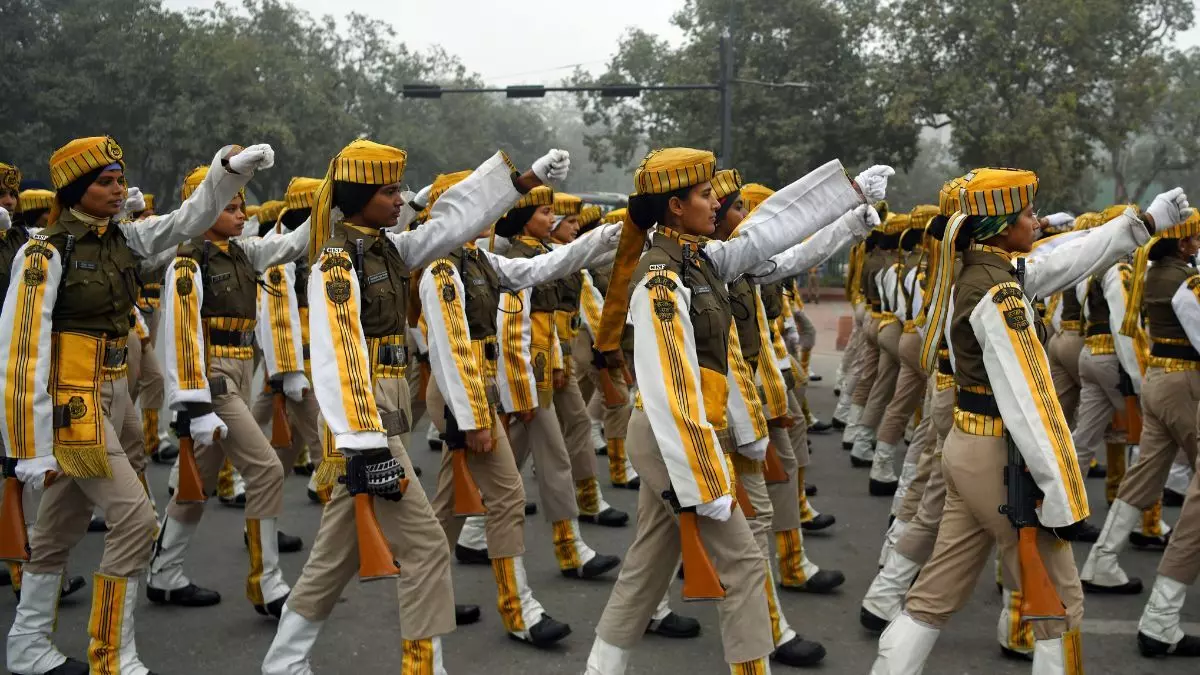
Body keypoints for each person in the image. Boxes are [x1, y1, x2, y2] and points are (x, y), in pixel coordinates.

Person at [262, 140, 570, 674]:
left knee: (334, 559)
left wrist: (519, 184)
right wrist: (364, 445)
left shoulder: (386, 248)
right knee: (427, 549)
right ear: (358, 197)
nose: (400, 199)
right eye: (387, 191)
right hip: (365, 425)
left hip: (384, 416)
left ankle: (283, 662)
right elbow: (342, 356)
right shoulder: (337, 260)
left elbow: (452, 220)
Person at [584, 147, 889, 674]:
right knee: (745, 565)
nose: (717, 205)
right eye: (705, 196)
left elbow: (772, 232)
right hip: (674, 437)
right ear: (676, 207)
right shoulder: (660, 281)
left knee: (647, 569)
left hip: (687, 433)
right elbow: (673, 391)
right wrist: (706, 483)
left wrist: (849, 198)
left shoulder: (700, 259)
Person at [871, 168, 1187, 674]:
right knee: (1059, 606)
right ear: (999, 228)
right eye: (1026, 214)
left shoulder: (978, 271)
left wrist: (1143, 223)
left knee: (936, 593)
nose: (1036, 221)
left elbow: (1064, 259)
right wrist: (1061, 495)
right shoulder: (998, 291)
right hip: (1000, 454)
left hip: (970, 448)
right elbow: (1030, 398)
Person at [4, 136, 274, 675]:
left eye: (118, 179)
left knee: (60, 526)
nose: (118, 188)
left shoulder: (121, 241)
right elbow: (21, 353)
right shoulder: (44, 253)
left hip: (114, 391)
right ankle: (112, 655)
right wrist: (27, 447)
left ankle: (27, 645)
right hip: (71, 403)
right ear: (76, 189)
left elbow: (187, 218)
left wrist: (227, 171)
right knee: (134, 520)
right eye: (105, 181)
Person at [493, 187, 623, 580]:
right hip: (531, 369)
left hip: (552, 361)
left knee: (556, 436)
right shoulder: (515, 258)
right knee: (550, 455)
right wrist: (538, 369)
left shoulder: (544, 253)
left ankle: (476, 532)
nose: (552, 220)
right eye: (546, 212)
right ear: (524, 216)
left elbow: (556, 317)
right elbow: (521, 324)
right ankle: (569, 548)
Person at [1081, 210, 1200, 597]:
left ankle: (1102, 561)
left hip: (1158, 380)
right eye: (1194, 238)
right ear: (1183, 243)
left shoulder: (1149, 275)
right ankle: (1165, 604)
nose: (1198, 244)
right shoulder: (1185, 281)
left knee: (1141, 479)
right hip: (1183, 383)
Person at [546, 192, 628, 527]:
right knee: (515, 445)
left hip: (562, 351)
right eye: (569, 222)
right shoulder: (545, 258)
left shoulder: (561, 255)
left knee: (574, 423)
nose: (576, 227)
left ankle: (588, 502)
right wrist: (607, 346)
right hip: (540, 359)